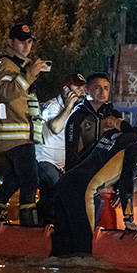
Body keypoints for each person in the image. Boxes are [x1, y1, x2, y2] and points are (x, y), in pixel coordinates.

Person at [53, 111, 137, 256]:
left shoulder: (114, 133)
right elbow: (127, 178)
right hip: (83, 190)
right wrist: (128, 218)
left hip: (64, 183)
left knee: (62, 246)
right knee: (83, 249)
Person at [0, 23, 49, 226]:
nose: (27, 45)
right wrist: (30, 75)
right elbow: (4, 93)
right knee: (30, 179)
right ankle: (28, 224)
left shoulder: (18, 66)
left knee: (14, 180)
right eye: (21, 41)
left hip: (21, 133)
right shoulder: (4, 65)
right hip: (14, 135)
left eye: (30, 41)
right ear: (10, 42)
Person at [34, 73, 87, 225]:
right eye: (77, 87)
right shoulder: (53, 106)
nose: (81, 91)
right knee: (60, 188)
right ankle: (45, 221)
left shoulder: (75, 110)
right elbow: (55, 128)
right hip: (44, 160)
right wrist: (69, 106)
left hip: (60, 164)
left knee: (51, 194)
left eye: (83, 88)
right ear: (66, 89)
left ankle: (43, 223)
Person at [64, 72, 111, 168]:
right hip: (83, 173)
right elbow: (71, 155)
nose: (103, 92)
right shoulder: (77, 116)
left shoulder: (112, 115)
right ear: (86, 90)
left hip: (106, 175)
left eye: (106, 88)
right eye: (97, 88)